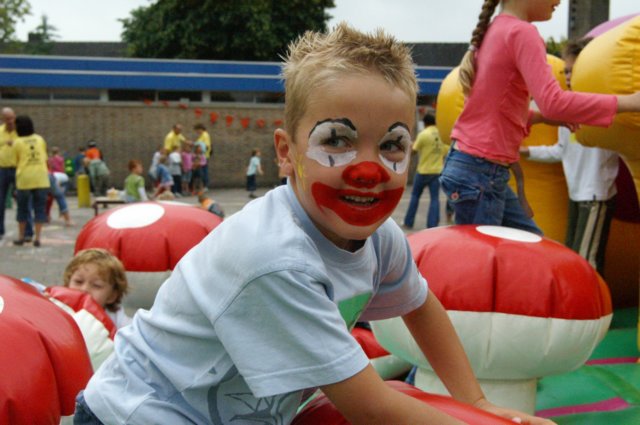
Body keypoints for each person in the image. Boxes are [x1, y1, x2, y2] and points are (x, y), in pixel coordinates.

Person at [74, 23, 551, 425]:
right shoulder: (274, 258)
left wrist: (477, 401)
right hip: (138, 411)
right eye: (337, 140)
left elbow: (422, 308)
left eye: (391, 145)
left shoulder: (379, 238)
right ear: (286, 152)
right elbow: (368, 405)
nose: (369, 169)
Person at [439, 0, 640, 234]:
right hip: (482, 173)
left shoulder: (497, 30)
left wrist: (544, 118)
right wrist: (630, 102)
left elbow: (495, 111)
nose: (558, 1)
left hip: (474, 167)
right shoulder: (521, 32)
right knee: (488, 261)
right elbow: (554, 102)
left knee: (531, 245)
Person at [520, 38, 619, 275]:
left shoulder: (600, 104)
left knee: (587, 261)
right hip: (576, 194)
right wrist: (525, 152)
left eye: (573, 71)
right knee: (576, 255)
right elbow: (560, 150)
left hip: (596, 194)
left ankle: (595, 311)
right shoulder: (566, 107)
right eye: (565, 70)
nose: (567, 76)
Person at [63, 248, 131, 329]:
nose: (84, 289)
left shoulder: (119, 323)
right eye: (78, 281)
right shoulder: (58, 307)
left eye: (96, 285)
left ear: (111, 296)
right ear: (67, 284)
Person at [403, 112, 449, 229]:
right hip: (437, 171)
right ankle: (432, 225)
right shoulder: (442, 135)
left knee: (415, 196)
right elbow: (445, 152)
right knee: (434, 199)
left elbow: (413, 150)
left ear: (425, 123)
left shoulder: (423, 134)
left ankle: (409, 222)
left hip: (423, 171)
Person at [13, 115, 50, 247]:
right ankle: (38, 238)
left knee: (22, 209)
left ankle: (22, 237)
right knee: (39, 208)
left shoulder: (17, 142)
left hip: (25, 178)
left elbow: (15, 161)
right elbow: (45, 157)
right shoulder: (40, 139)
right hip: (41, 177)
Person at [0, 107, 18, 241]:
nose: (10, 121)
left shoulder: (21, 131)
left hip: (18, 169)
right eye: (7, 119)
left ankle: (27, 231)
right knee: (0, 200)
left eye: (12, 118)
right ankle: (0, 229)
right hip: (2, 168)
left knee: (23, 200)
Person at [193, 123, 212, 189]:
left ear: (200, 129)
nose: (197, 132)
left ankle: (205, 185)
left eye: (197, 130)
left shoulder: (205, 135)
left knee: (203, 171)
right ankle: (202, 186)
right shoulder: (201, 136)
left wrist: (201, 151)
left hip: (203, 156)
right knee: (200, 172)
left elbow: (206, 145)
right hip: (200, 155)